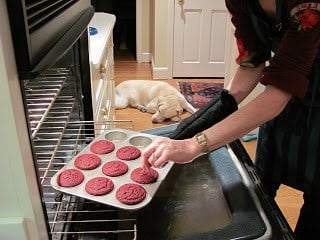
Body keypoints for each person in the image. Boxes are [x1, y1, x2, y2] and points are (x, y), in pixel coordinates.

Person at [141, 0, 320, 239]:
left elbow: (278, 94)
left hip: (302, 96)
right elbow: (251, 65)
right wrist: (180, 136)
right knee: (263, 179)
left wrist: (195, 145)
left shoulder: (307, 4)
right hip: (284, 92)